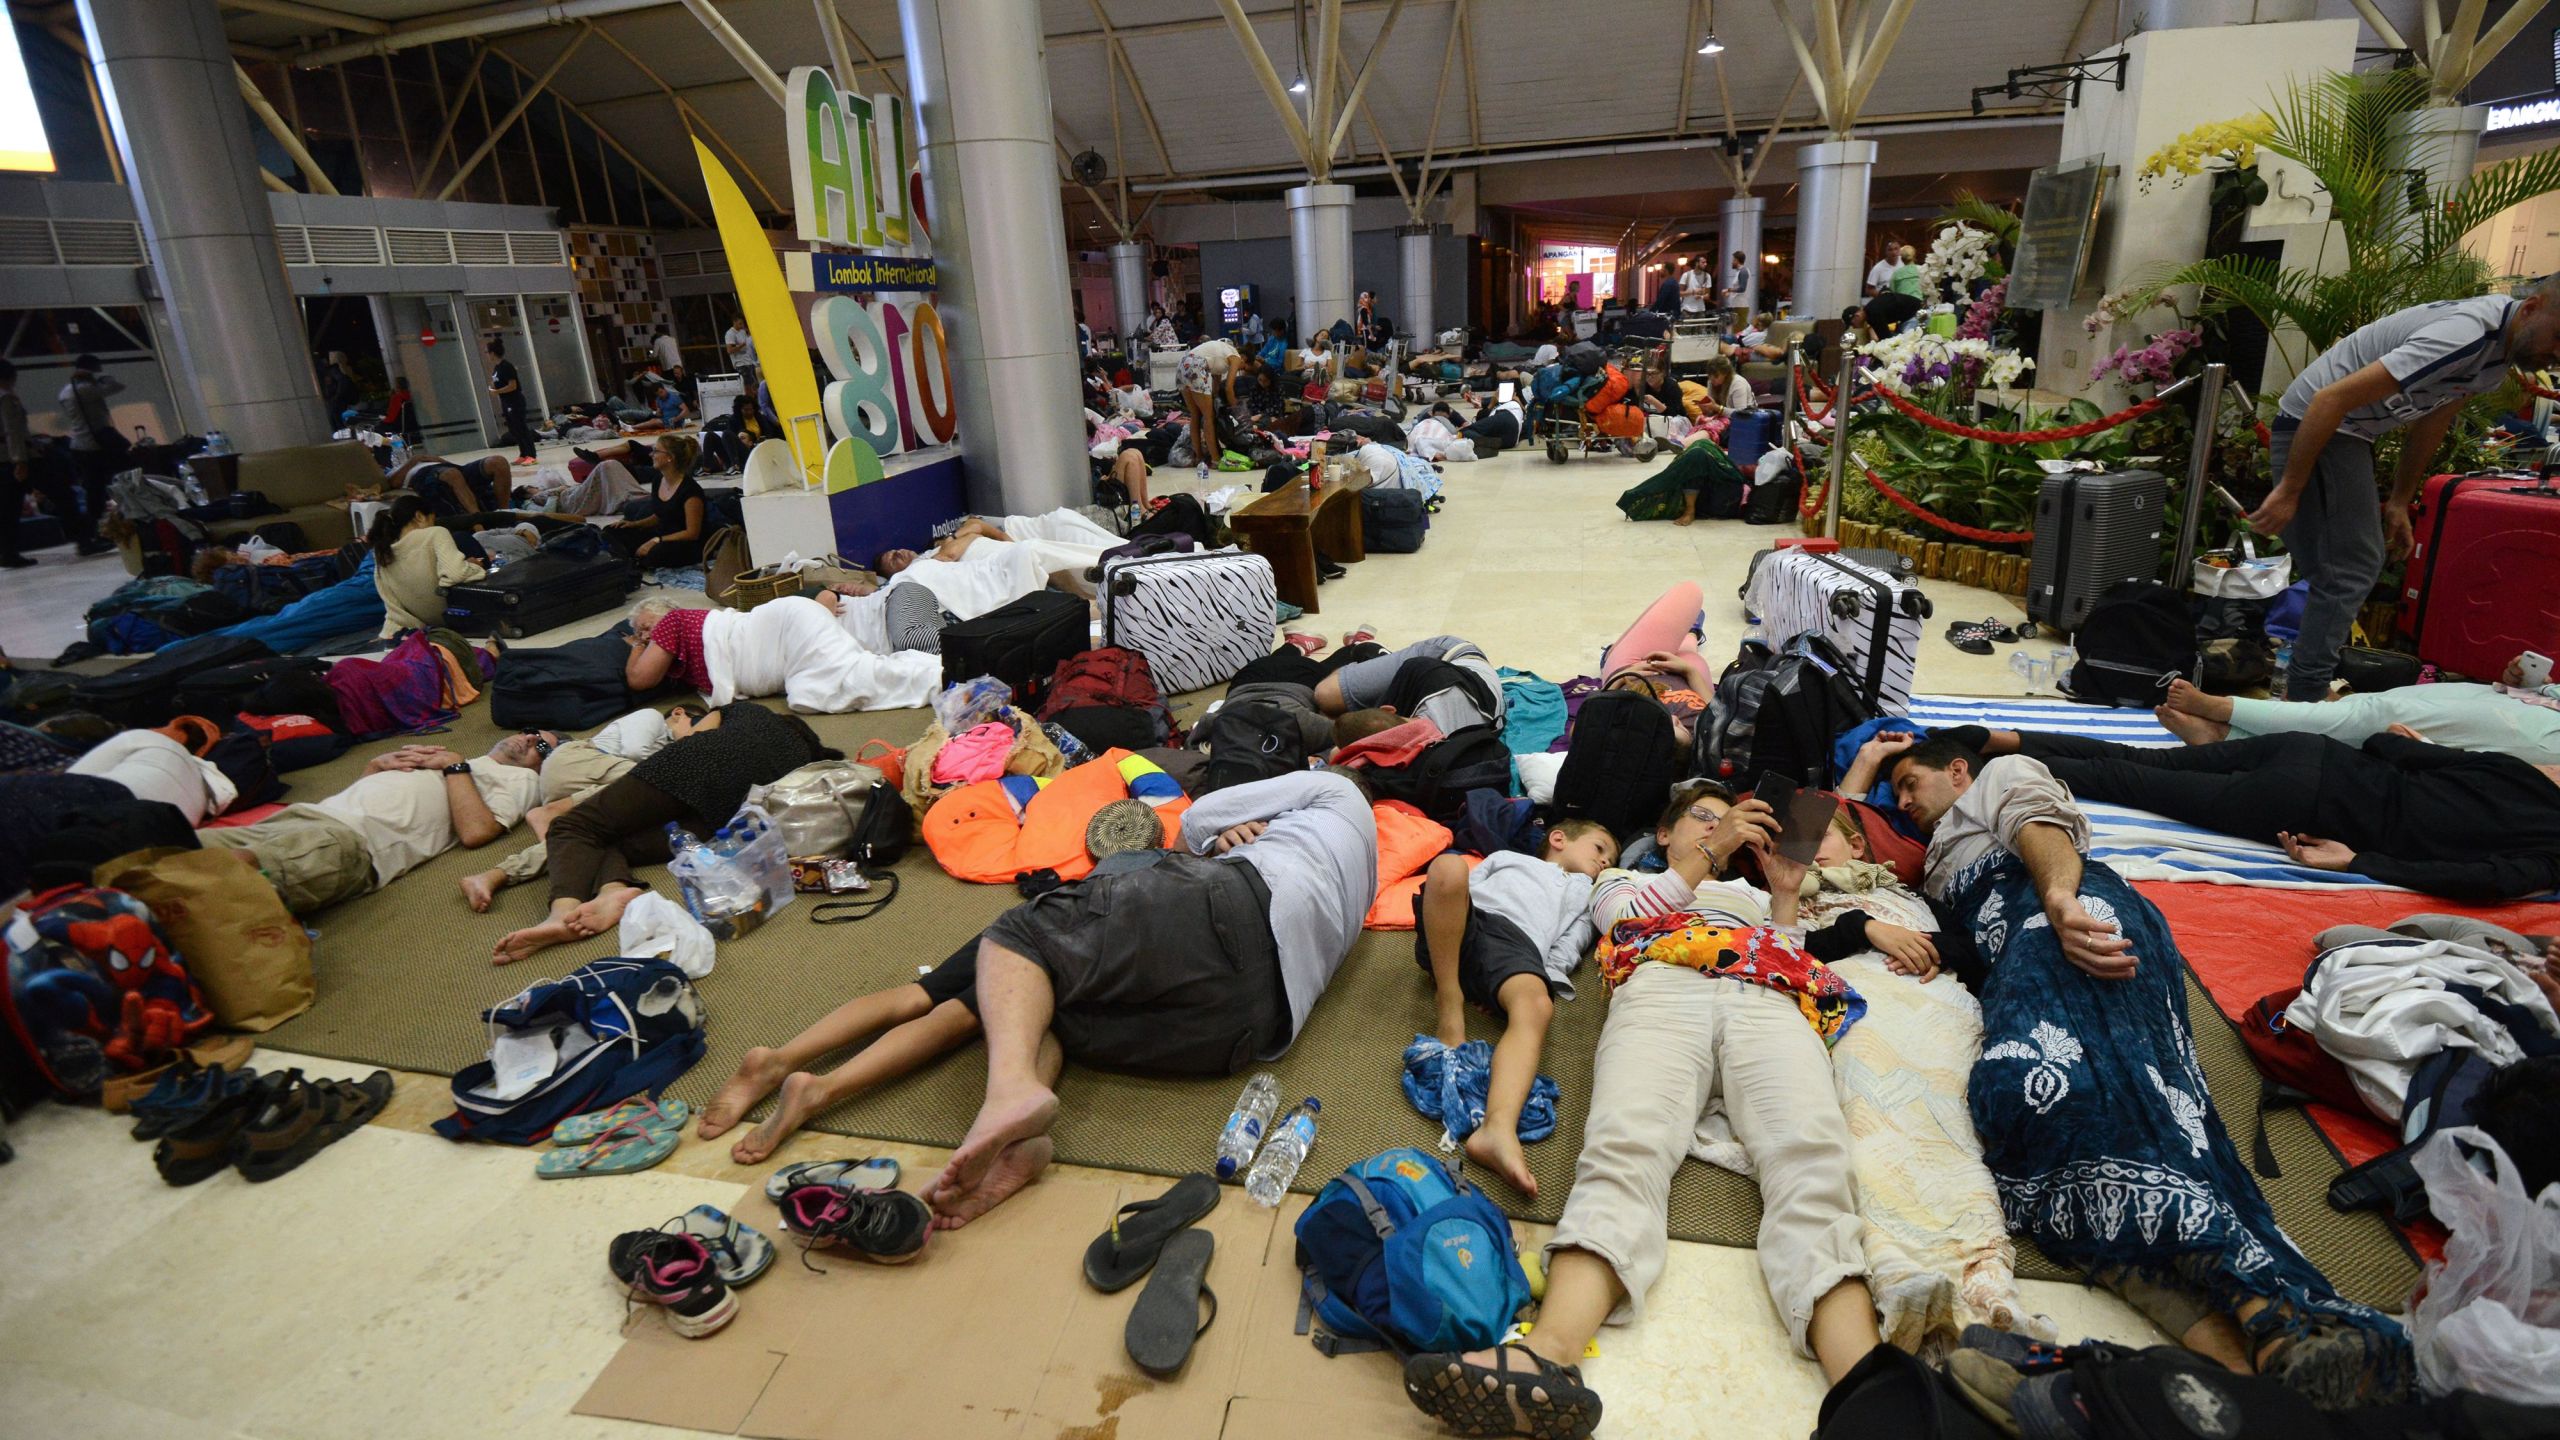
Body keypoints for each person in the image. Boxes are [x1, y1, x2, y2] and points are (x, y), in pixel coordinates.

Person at [1882, 736, 2408, 1406]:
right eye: (1894, 793)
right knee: (2034, 1109)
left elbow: (2040, 831)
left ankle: (2269, 1307)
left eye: (1909, 782)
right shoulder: (1933, 864)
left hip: (2072, 922)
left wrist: (2062, 903)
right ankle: (2264, 1345)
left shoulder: (1998, 779)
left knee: (2103, 1098)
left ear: (1958, 771)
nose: (1902, 802)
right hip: (2021, 952)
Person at [1405, 788, 1878, 1439]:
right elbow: (1624, 922)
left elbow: (1789, 949)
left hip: (1768, 994)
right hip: (1662, 984)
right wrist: (1713, 852)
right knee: (1624, 1149)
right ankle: (1547, 1356)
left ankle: (1872, 1390)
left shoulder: (1754, 896)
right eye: (1704, 819)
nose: (1721, 827)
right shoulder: (1622, 877)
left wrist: (1787, 892)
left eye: (1728, 819)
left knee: (1812, 1162)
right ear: (1666, 835)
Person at [924, 770, 1378, 1227]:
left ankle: (1009, 1091)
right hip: (1248, 1028)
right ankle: (1013, 1149)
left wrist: (1201, 849)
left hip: (1237, 907)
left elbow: (1200, 816)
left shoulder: (1332, 788)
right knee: (1053, 1003)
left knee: (1020, 935)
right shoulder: (1368, 878)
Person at [1783, 809, 2045, 1350]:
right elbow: (1786, 956)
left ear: (1856, 844)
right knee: (1867, 1111)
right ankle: (1896, 1268)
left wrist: (1914, 944)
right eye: (1796, 844)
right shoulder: (1782, 901)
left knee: (1950, 1119)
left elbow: (1972, 956)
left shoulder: (1912, 896)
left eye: (1820, 835)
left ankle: (1984, 1274)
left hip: (1931, 1002)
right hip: (1852, 1002)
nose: (1810, 851)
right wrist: (1864, 930)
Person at [2249, 277, 2560, 700]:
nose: (2555, 353)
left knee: (2345, 568)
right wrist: (2290, 488)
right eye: (2557, 337)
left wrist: (2399, 499)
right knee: (2350, 569)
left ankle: (2303, 687)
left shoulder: (2495, 358)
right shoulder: (2465, 335)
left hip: (2351, 432)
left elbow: (2432, 420)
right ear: (2531, 308)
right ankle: (2305, 698)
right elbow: (2328, 400)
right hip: (2320, 425)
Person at [1950, 724, 2560, 902]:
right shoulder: (2549, 854)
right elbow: (2488, 881)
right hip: (2305, 803)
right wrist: (2362, 861)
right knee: (2129, 781)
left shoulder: (2519, 773)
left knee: (2142, 757)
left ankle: (2005, 738)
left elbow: (2383, 744)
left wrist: (2413, 750)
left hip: (2309, 752)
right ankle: (1973, 778)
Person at [494, 702, 834, 965]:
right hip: (725, 814)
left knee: (574, 825)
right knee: (615, 840)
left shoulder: (746, 711)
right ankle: (613, 891)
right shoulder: (801, 759)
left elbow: (693, 737)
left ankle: (560, 914)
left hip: (690, 766)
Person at [1413, 818, 1617, 1194]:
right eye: (1599, 848)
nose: (1605, 861)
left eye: (1610, 859)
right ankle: (1451, 999)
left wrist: (1537, 980)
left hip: (1519, 949)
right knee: (1448, 867)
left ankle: (1497, 1128)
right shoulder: (1507, 858)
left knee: (1537, 1006)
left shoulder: (1586, 893)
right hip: (1465, 926)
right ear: (1558, 838)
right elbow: (1460, 891)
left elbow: (1570, 945)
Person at [202, 733, 550, 916]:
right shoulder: (464, 762)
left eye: (541, 747)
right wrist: (375, 768)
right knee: (173, 844)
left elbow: (476, 832)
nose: (529, 739)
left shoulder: (523, 780)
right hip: (309, 815)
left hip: (352, 843)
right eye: (532, 732)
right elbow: (371, 796)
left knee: (231, 875)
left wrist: (454, 766)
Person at [459, 705, 691, 912]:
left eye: (540, 744)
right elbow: (636, 752)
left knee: (597, 834)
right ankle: (551, 812)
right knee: (659, 783)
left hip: (581, 784)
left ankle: (496, 875)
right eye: (698, 726)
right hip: (577, 760)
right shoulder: (651, 717)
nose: (529, 738)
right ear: (679, 713)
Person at [2159, 669, 2560, 765]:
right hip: (2521, 706)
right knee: (2372, 704)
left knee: (2377, 717)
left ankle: (2225, 712)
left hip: (2539, 742)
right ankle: (2226, 735)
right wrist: (2524, 678)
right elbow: (2546, 689)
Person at [622, 595, 942, 713]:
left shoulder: (673, 623)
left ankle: (941, 673)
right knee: (814, 691)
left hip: (786, 628)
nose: (645, 636)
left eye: (646, 627)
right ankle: (937, 670)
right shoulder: (679, 642)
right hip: (783, 632)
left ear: (663, 616)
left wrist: (636, 646)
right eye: (639, 632)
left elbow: (640, 679)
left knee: (841, 683)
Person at [1311, 634, 1506, 737]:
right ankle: (1377, 657)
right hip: (1453, 659)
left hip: (1450, 668)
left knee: (1325, 696)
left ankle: (1374, 657)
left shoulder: (1431, 751)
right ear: (1388, 709)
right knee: (1328, 699)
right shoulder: (1421, 672)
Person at [0, 358, 91, 566]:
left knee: (8, 508)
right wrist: (20, 461)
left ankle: (8, 553)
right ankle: (84, 540)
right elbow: (13, 432)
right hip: (24, 458)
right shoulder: (7, 399)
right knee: (63, 495)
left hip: (4, 461)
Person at [368, 491, 483, 638]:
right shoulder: (435, 533)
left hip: (420, 630)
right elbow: (456, 574)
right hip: (453, 619)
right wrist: (474, 567)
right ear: (419, 516)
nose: (433, 525)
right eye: (432, 520)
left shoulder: (383, 553)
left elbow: (393, 607)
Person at [868, 530, 1053, 620]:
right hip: (992, 575)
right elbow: (951, 554)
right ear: (895, 575)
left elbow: (976, 528)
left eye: (895, 550)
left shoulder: (932, 552)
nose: (899, 553)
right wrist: (958, 538)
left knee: (1033, 552)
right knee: (1031, 554)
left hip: (1002, 557)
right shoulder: (917, 571)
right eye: (893, 560)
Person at [68, 729, 235, 825]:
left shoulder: (141, 739)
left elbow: (65, 783)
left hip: (127, 821)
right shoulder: (150, 744)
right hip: (163, 826)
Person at [603, 434, 707, 569]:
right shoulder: (658, 480)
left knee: (654, 554)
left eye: (656, 451)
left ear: (670, 457)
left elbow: (692, 533)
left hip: (683, 542)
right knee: (612, 531)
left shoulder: (690, 490)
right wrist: (634, 524)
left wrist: (656, 540)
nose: (651, 454)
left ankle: (631, 559)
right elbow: (659, 516)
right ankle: (628, 559)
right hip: (662, 534)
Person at [56, 354, 126, 553]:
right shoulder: (87, 389)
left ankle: (89, 537)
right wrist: (104, 377)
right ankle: (88, 538)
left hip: (80, 446)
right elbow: (117, 387)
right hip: (95, 447)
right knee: (97, 494)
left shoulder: (67, 390)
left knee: (94, 493)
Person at [1177, 334, 1243, 476]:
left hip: (1183, 364)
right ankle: (1215, 459)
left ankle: (1199, 457)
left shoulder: (1218, 351)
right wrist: (1237, 411)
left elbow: (1216, 388)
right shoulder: (1236, 357)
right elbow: (1229, 388)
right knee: (1208, 416)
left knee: (1195, 414)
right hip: (1196, 365)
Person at [486, 339, 536, 465]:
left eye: (487, 352)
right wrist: (493, 387)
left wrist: (497, 392)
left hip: (515, 401)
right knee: (514, 429)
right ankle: (523, 454)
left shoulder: (506, 366)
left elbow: (512, 385)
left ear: (492, 353)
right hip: (506, 401)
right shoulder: (496, 368)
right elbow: (497, 382)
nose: (486, 355)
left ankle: (531, 455)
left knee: (521, 427)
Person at [382, 373, 423, 446]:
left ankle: (389, 447)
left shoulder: (397, 397)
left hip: (399, 425)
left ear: (397, 386)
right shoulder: (411, 396)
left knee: (380, 428)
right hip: (412, 424)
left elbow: (391, 417)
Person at [722, 315, 757, 386]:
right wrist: (743, 344)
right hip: (741, 363)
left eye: (742, 323)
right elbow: (729, 350)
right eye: (740, 323)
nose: (742, 325)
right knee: (748, 385)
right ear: (734, 322)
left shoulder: (742, 331)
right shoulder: (730, 334)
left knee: (755, 383)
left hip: (749, 361)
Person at [1725, 250, 1753, 319]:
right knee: (1736, 328)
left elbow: (1742, 288)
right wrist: (1730, 293)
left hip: (1741, 306)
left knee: (1739, 328)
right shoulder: (1739, 272)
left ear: (1736, 260)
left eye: (1733, 260)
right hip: (1738, 305)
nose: (1732, 262)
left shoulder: (1743, 271)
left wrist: (1728, 290)